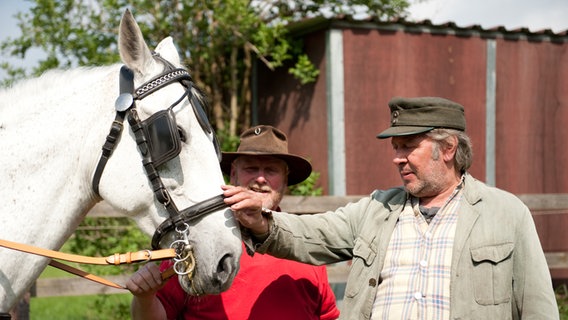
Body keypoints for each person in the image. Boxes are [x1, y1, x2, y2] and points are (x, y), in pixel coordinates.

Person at [223, 97, 559, 319]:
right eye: (395, 147)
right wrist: (262, 219)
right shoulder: (378, 209)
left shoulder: (505, 213)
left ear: (447, 149)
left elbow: (538, 309)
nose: (397, 157)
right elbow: (312, 234)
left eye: (408, 146)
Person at [126, 125, 340, 320]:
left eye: (271, 170)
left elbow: (327, 315)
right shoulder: (199, 240)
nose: (260, 179)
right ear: (233, 175)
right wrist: (145, 298)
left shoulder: (303, 244)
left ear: (285, 180)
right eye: (251, 168)